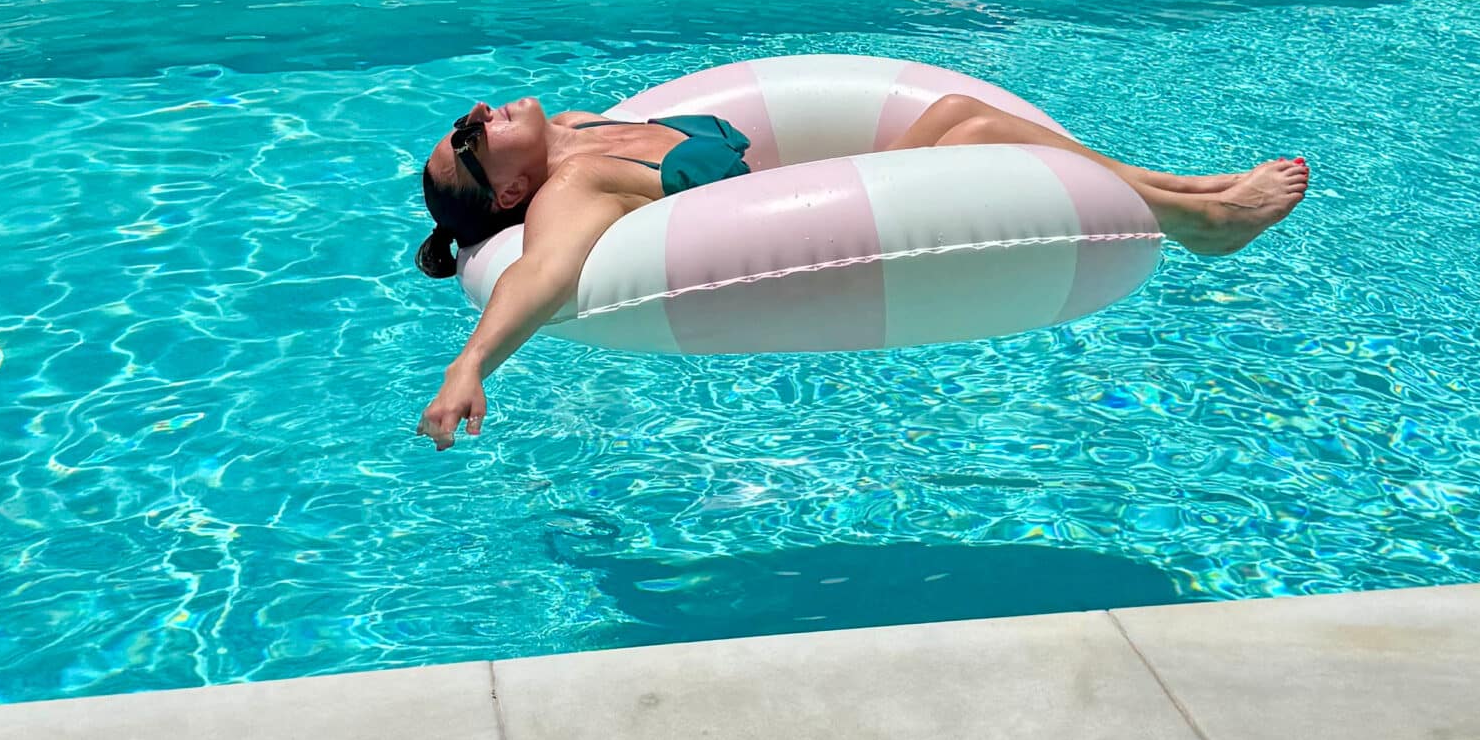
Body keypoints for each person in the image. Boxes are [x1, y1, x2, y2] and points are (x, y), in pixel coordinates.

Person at [411, 94, 1310, 448]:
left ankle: (1190, 196)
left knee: (962, 112)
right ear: (510, 191)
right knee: (978, 128)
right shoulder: (573, 183)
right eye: (469, 138)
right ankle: (1197, 215)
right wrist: (471, 364)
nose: (480, 114)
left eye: (465, 119)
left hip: (826, 186)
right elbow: (545, 270)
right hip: (828, 213)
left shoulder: (584, 123)